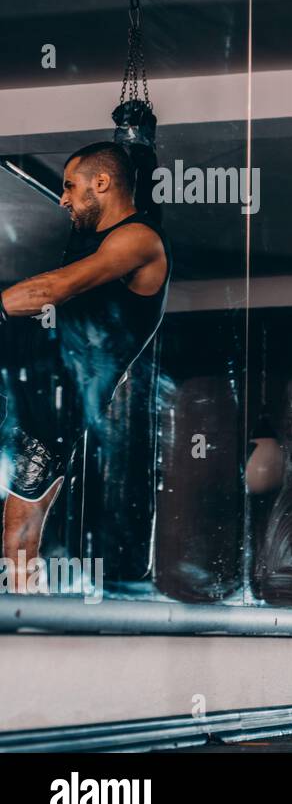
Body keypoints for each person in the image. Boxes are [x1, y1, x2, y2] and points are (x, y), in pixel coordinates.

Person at [0, 142, 170, 592]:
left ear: (102, 183)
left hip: (60, 400)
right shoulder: (93, 229)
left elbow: (54, 288)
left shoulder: (139, 239)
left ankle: (27, 615)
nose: (62, 199)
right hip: (24, 375)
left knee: (18, 534)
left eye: (69, 187)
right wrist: (136, 144)